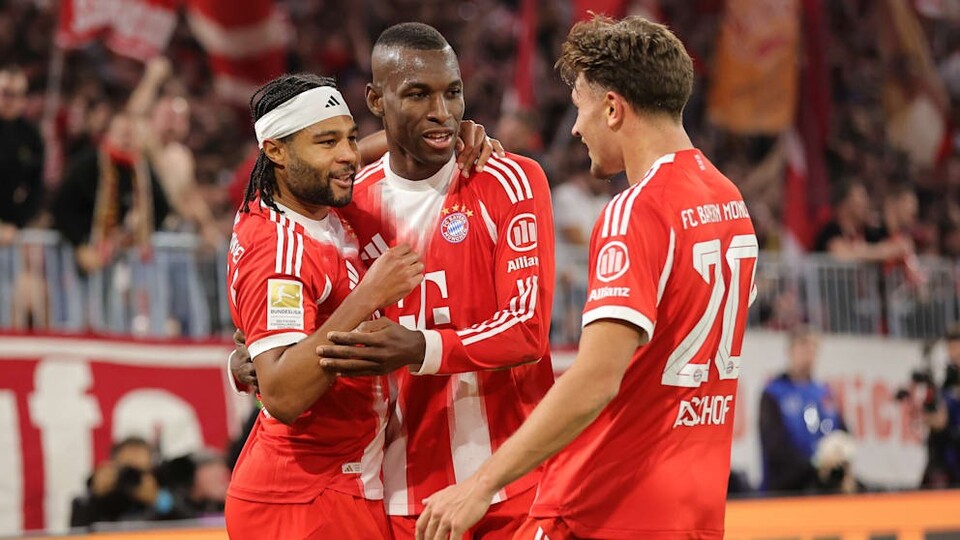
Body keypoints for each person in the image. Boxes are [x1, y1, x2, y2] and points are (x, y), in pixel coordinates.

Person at [416, 15, 758, 540]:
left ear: (613, 108)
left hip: (603, 505)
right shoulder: (729, 201)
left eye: (580, 108)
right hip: (694, 509)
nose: (576, 129)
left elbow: (597, 377)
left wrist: (481, 484)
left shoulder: (636, 210)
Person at [313, 22, 556, 539]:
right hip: (406, 496)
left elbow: (527, 330)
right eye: (418, 94)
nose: (443, 112)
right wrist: (254, 352)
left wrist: (418, 346)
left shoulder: (508, 180)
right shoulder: (349, 208)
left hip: (516, 486)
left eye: (453, 92)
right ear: (376, 100)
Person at [224, 72, 424, 539]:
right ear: (275, 150)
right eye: (327, 141)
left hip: (332, 483)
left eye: (350, 138)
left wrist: (444, 133)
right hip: (303, 500)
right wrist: (369, 296)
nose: (349, 155)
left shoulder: (303, 207)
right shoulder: (279, 251)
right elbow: (282, 395)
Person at [759, 325, 856, 495]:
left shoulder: (824, 393)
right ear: (790, 351)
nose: (808, 354)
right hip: (786, 489)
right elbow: (775, 447)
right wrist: (815, 464)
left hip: (824, 486)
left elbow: (843, 434)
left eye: (813, 348)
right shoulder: (774, 393)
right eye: (803, 346)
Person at [921, 324, 960, 488]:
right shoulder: (948, 379)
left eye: (955, 348)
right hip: (949, 454)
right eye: (950, 349)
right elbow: (939, 419)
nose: (952, 354)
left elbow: (941, 420)